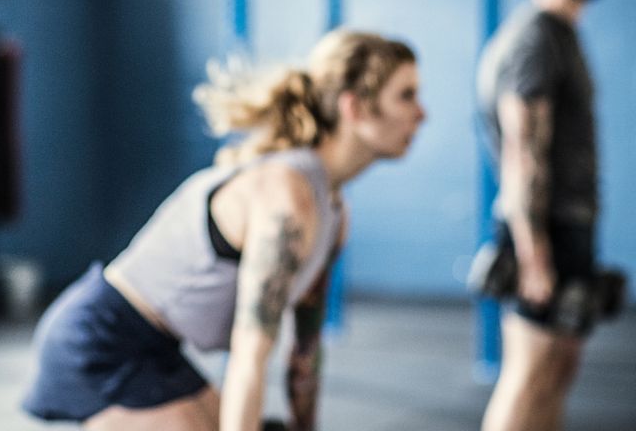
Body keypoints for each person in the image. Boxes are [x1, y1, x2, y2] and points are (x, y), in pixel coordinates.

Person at [22, 30, 425, 431]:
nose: (421, 114)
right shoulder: (288, 196)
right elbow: (250, 356)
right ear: (354, 107)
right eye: (406, 96)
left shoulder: (334, 214)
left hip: (158, 351)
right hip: (99, 342)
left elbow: (304, 355)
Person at [477, 0, 602, 431]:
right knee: (529, 371)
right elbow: (522, 151)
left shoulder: (559, 32)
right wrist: (533, 254)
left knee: (559, 365)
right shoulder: (537, 38)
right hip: (541, 226)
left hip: (565, 221)